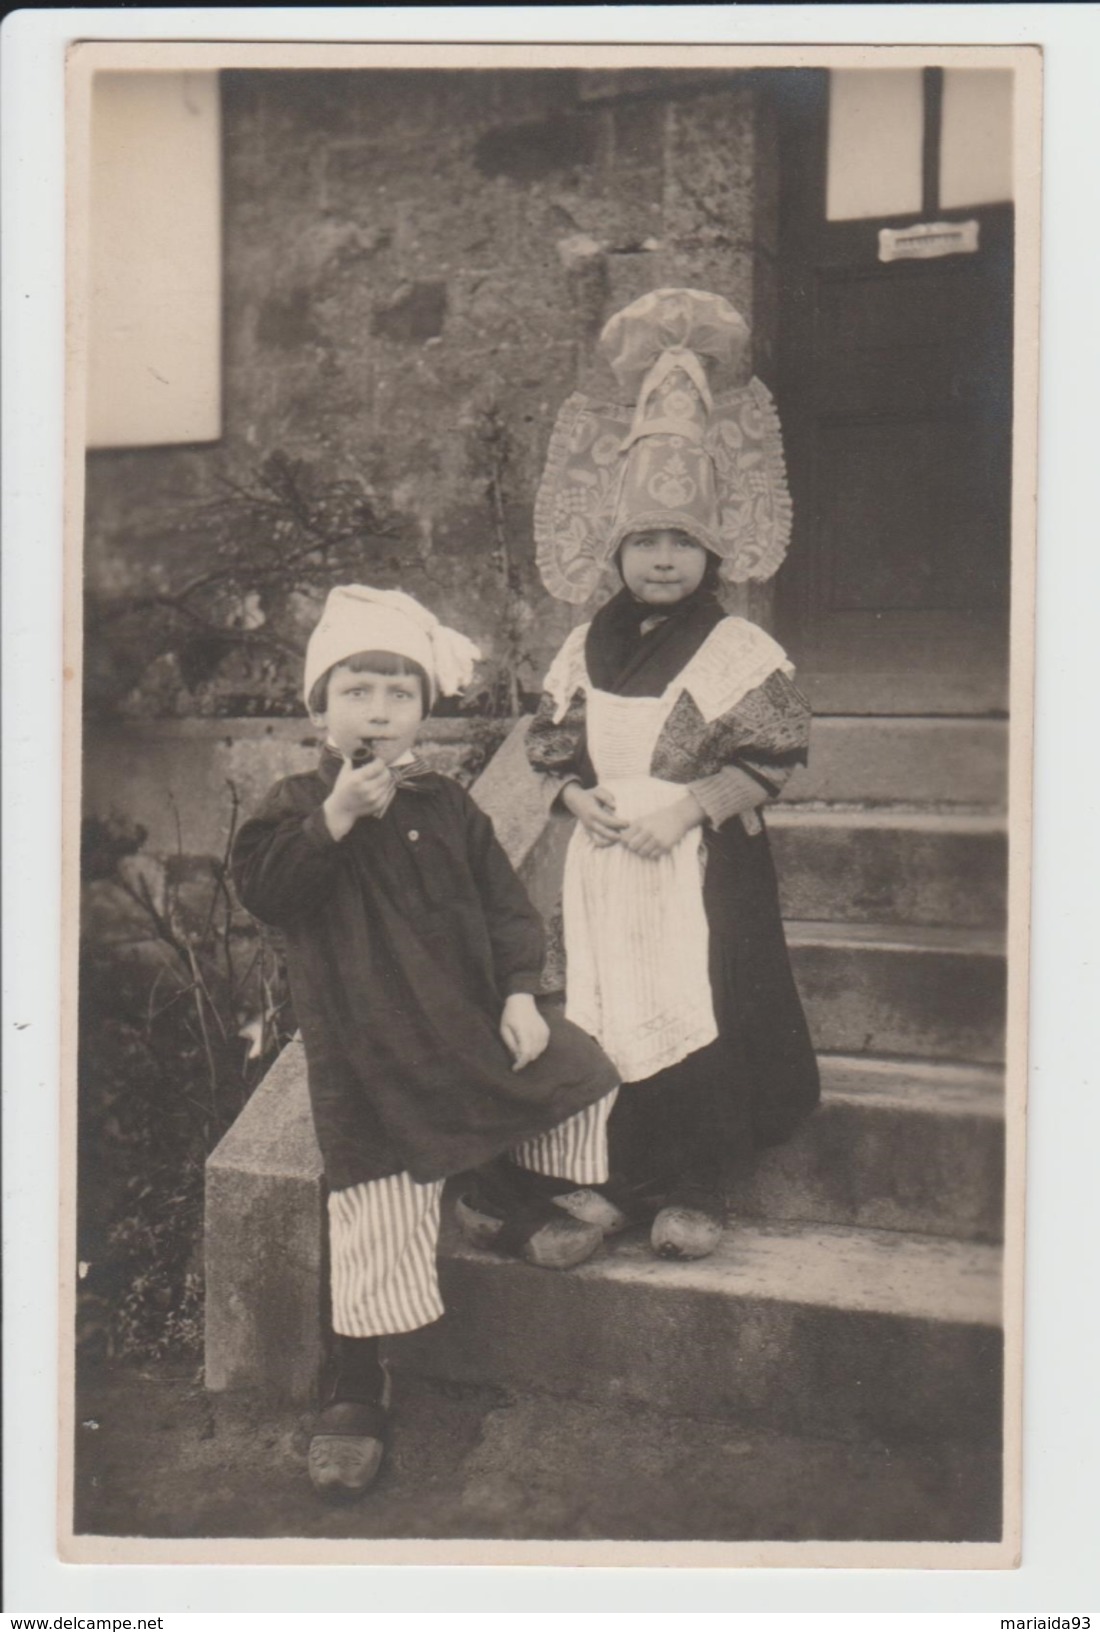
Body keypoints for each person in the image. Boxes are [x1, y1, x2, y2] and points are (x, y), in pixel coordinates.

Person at [231, 585, 620, 1500]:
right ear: (320, 707)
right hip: (367, 1048)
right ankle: (358, 1381)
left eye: (400, 694)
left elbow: (504, 907)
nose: (379, 711)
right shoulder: (292, 805)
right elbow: (269, 892)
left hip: (465, 1023)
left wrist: (522, 993)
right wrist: (334, 818)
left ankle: (498, 1196)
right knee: (373, 1196)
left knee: (580, 1066)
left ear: (422, 714)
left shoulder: (447, 804)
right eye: (359, 691)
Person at [527, 286, 820, 1261]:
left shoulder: (734, 648)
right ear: (616, 552)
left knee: (697, 1010)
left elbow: (770, 756)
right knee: (606, 1011)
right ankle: (613, 1184)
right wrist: (573, 797)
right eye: (644, 542)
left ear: (710, 552)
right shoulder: (584, 645)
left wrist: (688, 809)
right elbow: (552, 740)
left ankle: (693, 1189)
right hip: (608, 861)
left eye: (680, 543)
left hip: (699, 865)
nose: (661, 560)